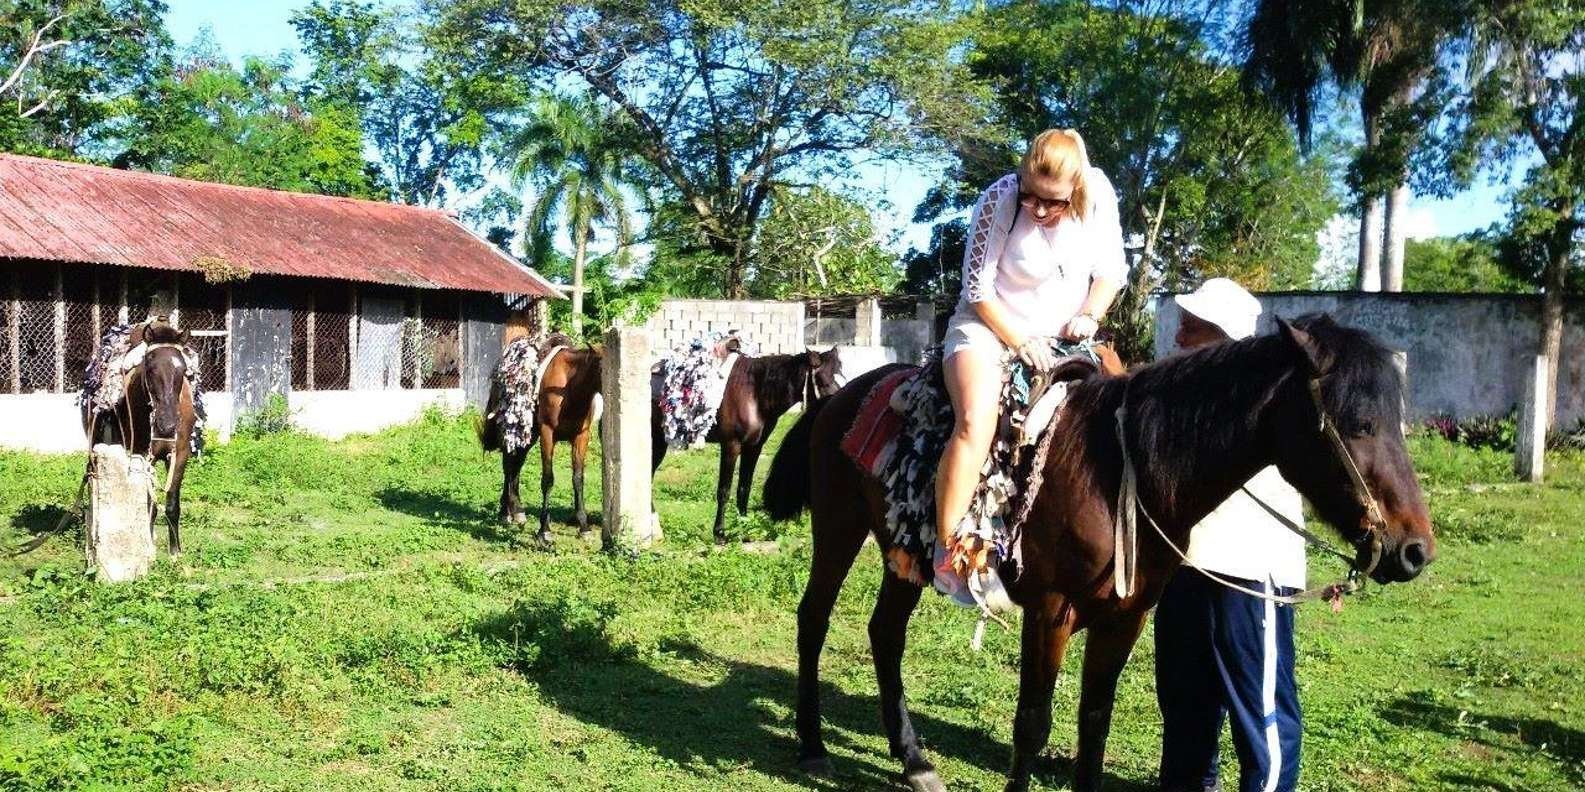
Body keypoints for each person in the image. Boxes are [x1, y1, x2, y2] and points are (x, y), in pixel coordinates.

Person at [935, 128, 1126, 600]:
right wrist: (1018, 342)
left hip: (1064, 335)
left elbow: (1110, 273)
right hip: (989, 328)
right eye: (1031, 197)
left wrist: (1089, 315)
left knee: (1123, 413)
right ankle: (949, 553)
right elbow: (976, 291)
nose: (1039, 210)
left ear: (1077, 189)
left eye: (1054, 202)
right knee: (976, 421)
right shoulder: (998, 199)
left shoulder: (1099, 194)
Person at [1154, 277, 1307, 792]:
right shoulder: (1184, 394)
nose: (1178, 338)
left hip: (1246, 573)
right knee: (1184, 705)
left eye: (1191, 329)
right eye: (1181, 325)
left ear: (1221, 339)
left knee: (1259, 709)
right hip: (1185, 566)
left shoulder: (1257, 403)